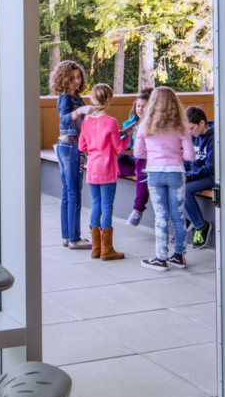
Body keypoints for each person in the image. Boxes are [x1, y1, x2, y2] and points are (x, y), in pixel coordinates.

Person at [133, 87, 194, 271]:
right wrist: (176, 154)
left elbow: (137, 153)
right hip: (176, 172)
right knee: (178, 215)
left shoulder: (146, 124)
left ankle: (161, 258)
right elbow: (190, 155)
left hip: (155, 173)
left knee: (161, 216)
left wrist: (152, 154)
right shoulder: (181, 125)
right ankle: (179, 256)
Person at [77, 83, 127, 261]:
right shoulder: (111, 122)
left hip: (92, 167)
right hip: (107, 168)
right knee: (107, 206)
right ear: (109, 100)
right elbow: (119, 148)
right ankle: (107, 249)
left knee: (96, 204)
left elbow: (82, 146)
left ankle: (96, 248)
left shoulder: (86, 121)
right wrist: (126, 136)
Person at [50, 59, 91, 250]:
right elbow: (65, 120)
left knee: (68, 193)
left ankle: (67, 236)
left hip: (67, 146)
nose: (76, 81)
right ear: (64, 79)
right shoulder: (66, 98)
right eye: (72, 78)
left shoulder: (76, 96)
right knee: (74, 192)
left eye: (78, 77)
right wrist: (81, 111)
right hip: (70, 147)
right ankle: (75, 238)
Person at [182, 106, 216, 247]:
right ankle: (187, 219)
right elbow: (187, 159)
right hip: (195, 175)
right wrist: (183, 173)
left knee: (184, 190)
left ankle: (200, 226)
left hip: (211, 176)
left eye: (191, 128)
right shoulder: (193, 136)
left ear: (202, 123)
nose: (189, 132)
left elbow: (210, 167)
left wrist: (188, 177)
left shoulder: (214, 138)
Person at [118, 88, 152, 225]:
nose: (140, 109)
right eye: (138, 106)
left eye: (144, 106)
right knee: (111, 164)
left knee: (141, 163)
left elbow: (144, 152)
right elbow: (124, 145)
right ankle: (140, 173)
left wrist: (130, 152)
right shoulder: (131, 124)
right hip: (131, 158)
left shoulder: (153, 125)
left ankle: (138, 210)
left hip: (145, 159)